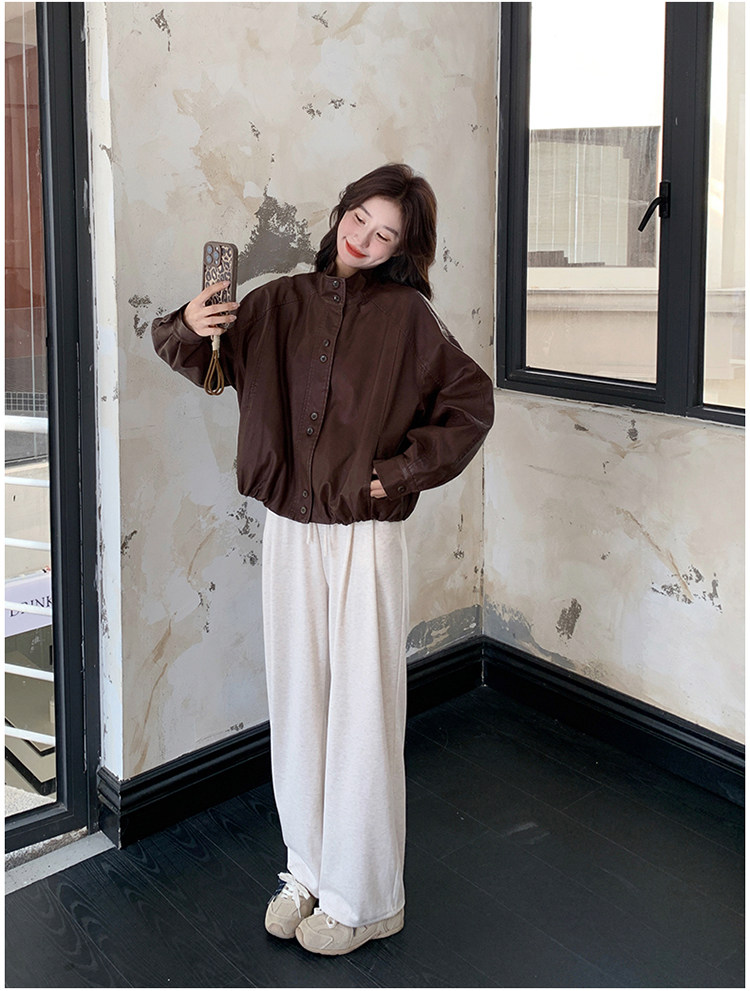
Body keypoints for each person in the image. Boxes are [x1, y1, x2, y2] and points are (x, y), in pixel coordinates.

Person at [152, 163, 494, 956]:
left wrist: (394, 474)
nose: (366, 238)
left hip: (363, 533)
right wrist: (190, 322)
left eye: (387, 234)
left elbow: (471, 403)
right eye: (361, 218)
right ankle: (307, 867)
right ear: (343, 209)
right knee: (299, 699)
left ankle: (366, 895)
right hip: (288, 529)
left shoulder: (409, 318)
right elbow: (202, 361)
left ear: (403, 249)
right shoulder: (278, 302)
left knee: (363, 707)